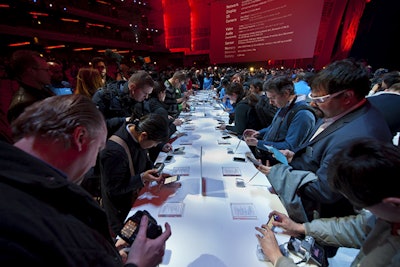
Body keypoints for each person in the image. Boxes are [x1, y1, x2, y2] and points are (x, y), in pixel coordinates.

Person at [0, 94, 171, 267]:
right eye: (97, 149)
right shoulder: (30, 216)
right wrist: (137, 264)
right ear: (80, 137)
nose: (92, 164)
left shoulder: (21, 184)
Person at [257, 58, 393, 224]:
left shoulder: (357, 135)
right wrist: (295, 157)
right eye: (312, 97)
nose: (313, 103)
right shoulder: (339, 111)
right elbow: (319, 152)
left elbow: (325, 190)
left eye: (320, 99)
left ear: (347, 96)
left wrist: (279, 175)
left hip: (323, 216)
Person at [255, 138, 400, 267]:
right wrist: (302, 227)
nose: (363, 212)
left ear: (393, 203)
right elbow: (359, 226)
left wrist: (277, 258)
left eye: (361, 206)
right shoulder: (389, 216)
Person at [99, 113, 170, 236]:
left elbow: (144, 159)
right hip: (122, 212)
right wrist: (142, 178)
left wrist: (154, 172)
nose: (154, 146)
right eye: (154, 143)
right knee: (129, 241)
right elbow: (113, 189)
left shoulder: (137, 136)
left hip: (137, 198)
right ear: (143, 136)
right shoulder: (114, 151)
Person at [243, 75, 316, 165]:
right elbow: (274, 126)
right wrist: (259, 133)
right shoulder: (285, 105)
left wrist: (258, 143)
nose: (270, 102)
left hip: (278, 164)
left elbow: (289, 147)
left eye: (273, 98)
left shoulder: (303, 114)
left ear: (286, 93)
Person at [92, 70, 154, 137]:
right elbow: (95, 125)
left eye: (148, 94)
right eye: (145, 93)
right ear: (132, 88)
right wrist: (124, 120)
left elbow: (148, 124)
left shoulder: (141, 100)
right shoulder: (104, 95)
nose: (146, 97)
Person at [7, 49, 55, 123]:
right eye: (46, 70)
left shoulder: (43, 91)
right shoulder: (22, 106)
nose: (51, 74)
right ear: (31, 71)